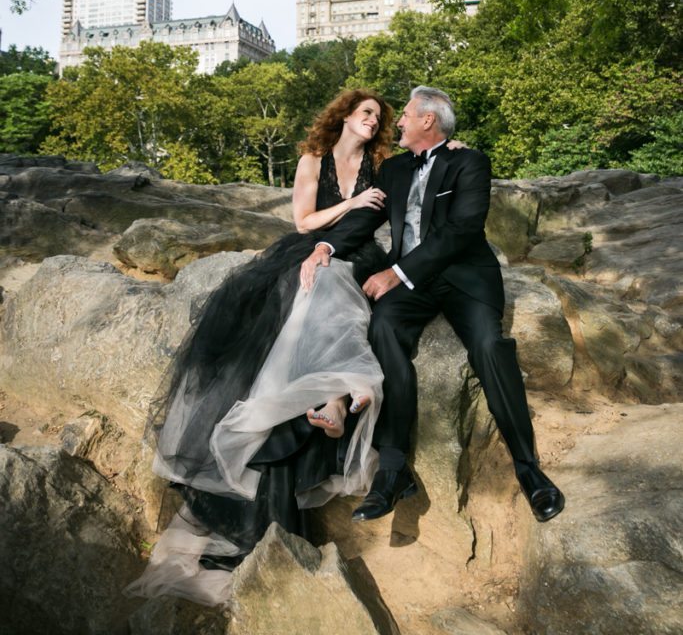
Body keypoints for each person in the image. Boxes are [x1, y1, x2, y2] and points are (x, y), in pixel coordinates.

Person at [126, 89, 394, 606]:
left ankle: (331, 396)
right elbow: (302, 220)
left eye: (378, 117)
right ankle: (302, 397)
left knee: (334, 288)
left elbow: (370, 221)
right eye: (366, 113)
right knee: (285, 290)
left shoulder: (380, 166)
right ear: (343, 116)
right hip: (305, 243)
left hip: (355, 250)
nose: (373, 121)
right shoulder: (313, 159)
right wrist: (352, 202)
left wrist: (360, 209)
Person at [303, 86, 565, 525]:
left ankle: (529, 469)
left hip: (464, 277)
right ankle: (392, 470)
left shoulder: (469, 162)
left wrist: (396, 274)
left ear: (428, 120)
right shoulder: (394, 168)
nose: (398, 122)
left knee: (487, 346)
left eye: (404, 115)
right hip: (413, 281)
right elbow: (368, 217)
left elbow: (462, 230)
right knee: (382, 328)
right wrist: (326, 246)